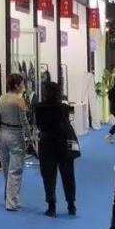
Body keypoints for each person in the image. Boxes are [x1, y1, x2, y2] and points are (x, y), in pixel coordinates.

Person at [33, 81, 77, 217]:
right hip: (63, 143)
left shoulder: (39, 107)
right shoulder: (63, 107)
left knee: (48, 176)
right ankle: (71, 204)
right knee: (68, 175)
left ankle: (51, 206)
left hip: (46, 143)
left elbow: (39, 124)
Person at [0, 73, 29, 212]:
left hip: (3, 133)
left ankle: (7, 197)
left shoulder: (2, 97)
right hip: (16, 133)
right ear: (16, 86)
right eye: (22, 83)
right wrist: (30, 137)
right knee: (15, 169)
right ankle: (12, 202)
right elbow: (24, 120)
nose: (23, 86)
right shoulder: (19, 100)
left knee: (6, 167)